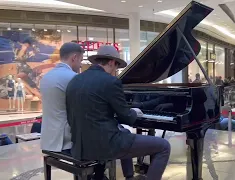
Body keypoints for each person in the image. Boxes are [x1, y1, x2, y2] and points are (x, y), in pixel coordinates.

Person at [66, 45, 171, 180]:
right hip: (105, 145)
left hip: (79, 146)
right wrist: (134, 112)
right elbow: (127, 117)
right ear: (111, 62)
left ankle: (129, 177)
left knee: (124, 132)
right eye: (116, 67)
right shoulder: (110, 81)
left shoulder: (75, 80)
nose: (115, 71)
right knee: (164, 146)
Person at [40, 42, 108, 180]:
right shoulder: (73, 78)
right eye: (81, 60)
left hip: (48, 138)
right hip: (65, 140)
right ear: (74, 57)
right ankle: (97, 177)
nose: (81, 65)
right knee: (105, 141)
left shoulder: (46, 77)